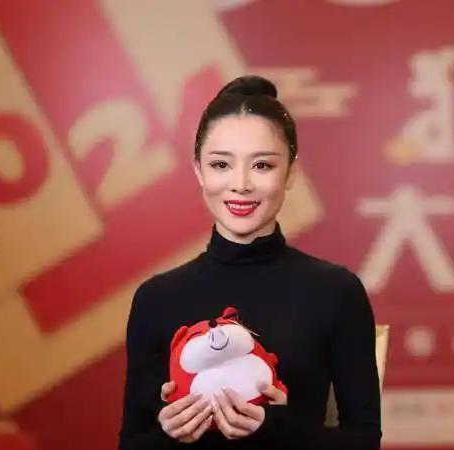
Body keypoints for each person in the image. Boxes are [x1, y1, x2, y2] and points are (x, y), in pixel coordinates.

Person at [117, 75, 382, 450]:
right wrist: (171, 434)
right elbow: (130, 444)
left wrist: (277, 429)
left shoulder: (336, 292)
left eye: (262, 166)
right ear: (199, 170)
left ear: (290, 172)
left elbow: (364, 440)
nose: (240, 184)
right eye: (221, 165)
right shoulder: (156, 298)